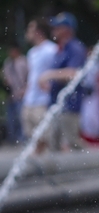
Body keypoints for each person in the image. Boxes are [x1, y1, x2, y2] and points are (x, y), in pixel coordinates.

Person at [37, 12, 88, 152]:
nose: (54, 30)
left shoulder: (75, 48)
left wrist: (48, 75)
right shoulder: (60, 49)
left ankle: (93, 168)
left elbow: (73, 73)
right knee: (53, 143)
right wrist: (50, 85)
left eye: (57, 27)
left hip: (69, 105)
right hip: (56, 104)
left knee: (73, 142)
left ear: (67, 29)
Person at [22, 19, 58, 151]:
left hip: (43, 101)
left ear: (38, 32)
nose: (28, 33)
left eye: (30, 29)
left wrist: (51, 86)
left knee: (47, 138)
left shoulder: (51, 49)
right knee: (33, 138)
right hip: (29, 100)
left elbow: (57, 70)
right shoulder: (31, 53)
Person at [2, 42, 28, 144]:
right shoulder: (8, 63)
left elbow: (29, 76)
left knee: (22, 117)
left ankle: (22, 138)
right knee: (10, 118)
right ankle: (12, 139)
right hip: (11, 94)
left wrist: (25, 90)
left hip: (22, 93)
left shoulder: (23, 62)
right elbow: (6, 78)